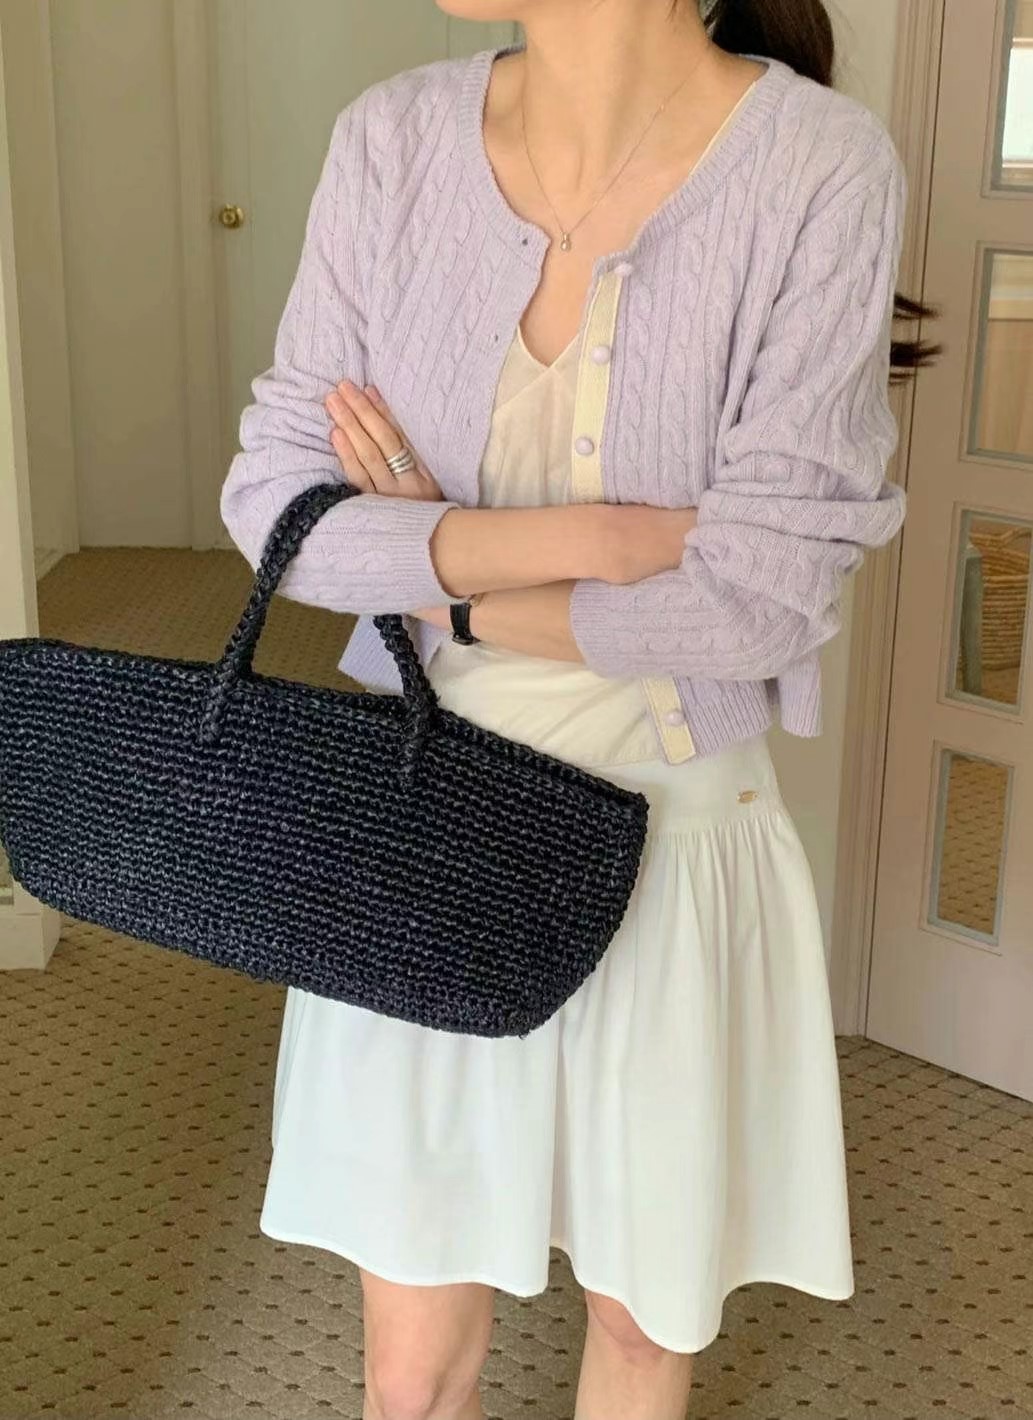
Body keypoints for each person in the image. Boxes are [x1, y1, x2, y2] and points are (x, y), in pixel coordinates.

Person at [219, 1, 937, 1415]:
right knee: (409, 1371)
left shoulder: (818, 164)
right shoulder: (391, 142)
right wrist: (602, 541)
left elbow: (757, 602)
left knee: (640, 1324)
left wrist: (445, 574)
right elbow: (279, 515)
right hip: (416, 815)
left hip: (670, 835)